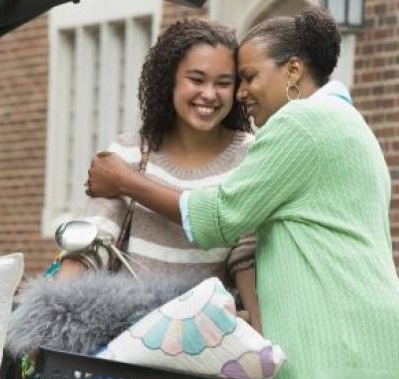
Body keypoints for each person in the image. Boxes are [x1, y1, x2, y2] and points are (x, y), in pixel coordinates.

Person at [86, 7, 399, 379]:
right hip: (374, 338)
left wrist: (126, 181)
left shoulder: (300, 124)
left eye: (248, 77)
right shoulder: (349, 123)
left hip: (335, 341)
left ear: (293, 71)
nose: (241, 93)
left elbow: (218, 217)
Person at [59, 18, 261, 331]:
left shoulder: (250, 155)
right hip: (126, 336)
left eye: (223, 83)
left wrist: (260, 331)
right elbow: (93, 243)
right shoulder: (128, 152)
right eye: (196, 79)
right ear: (170, 80)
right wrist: (54, 312)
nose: (209, 94)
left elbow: (245, 255)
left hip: (204, 341)